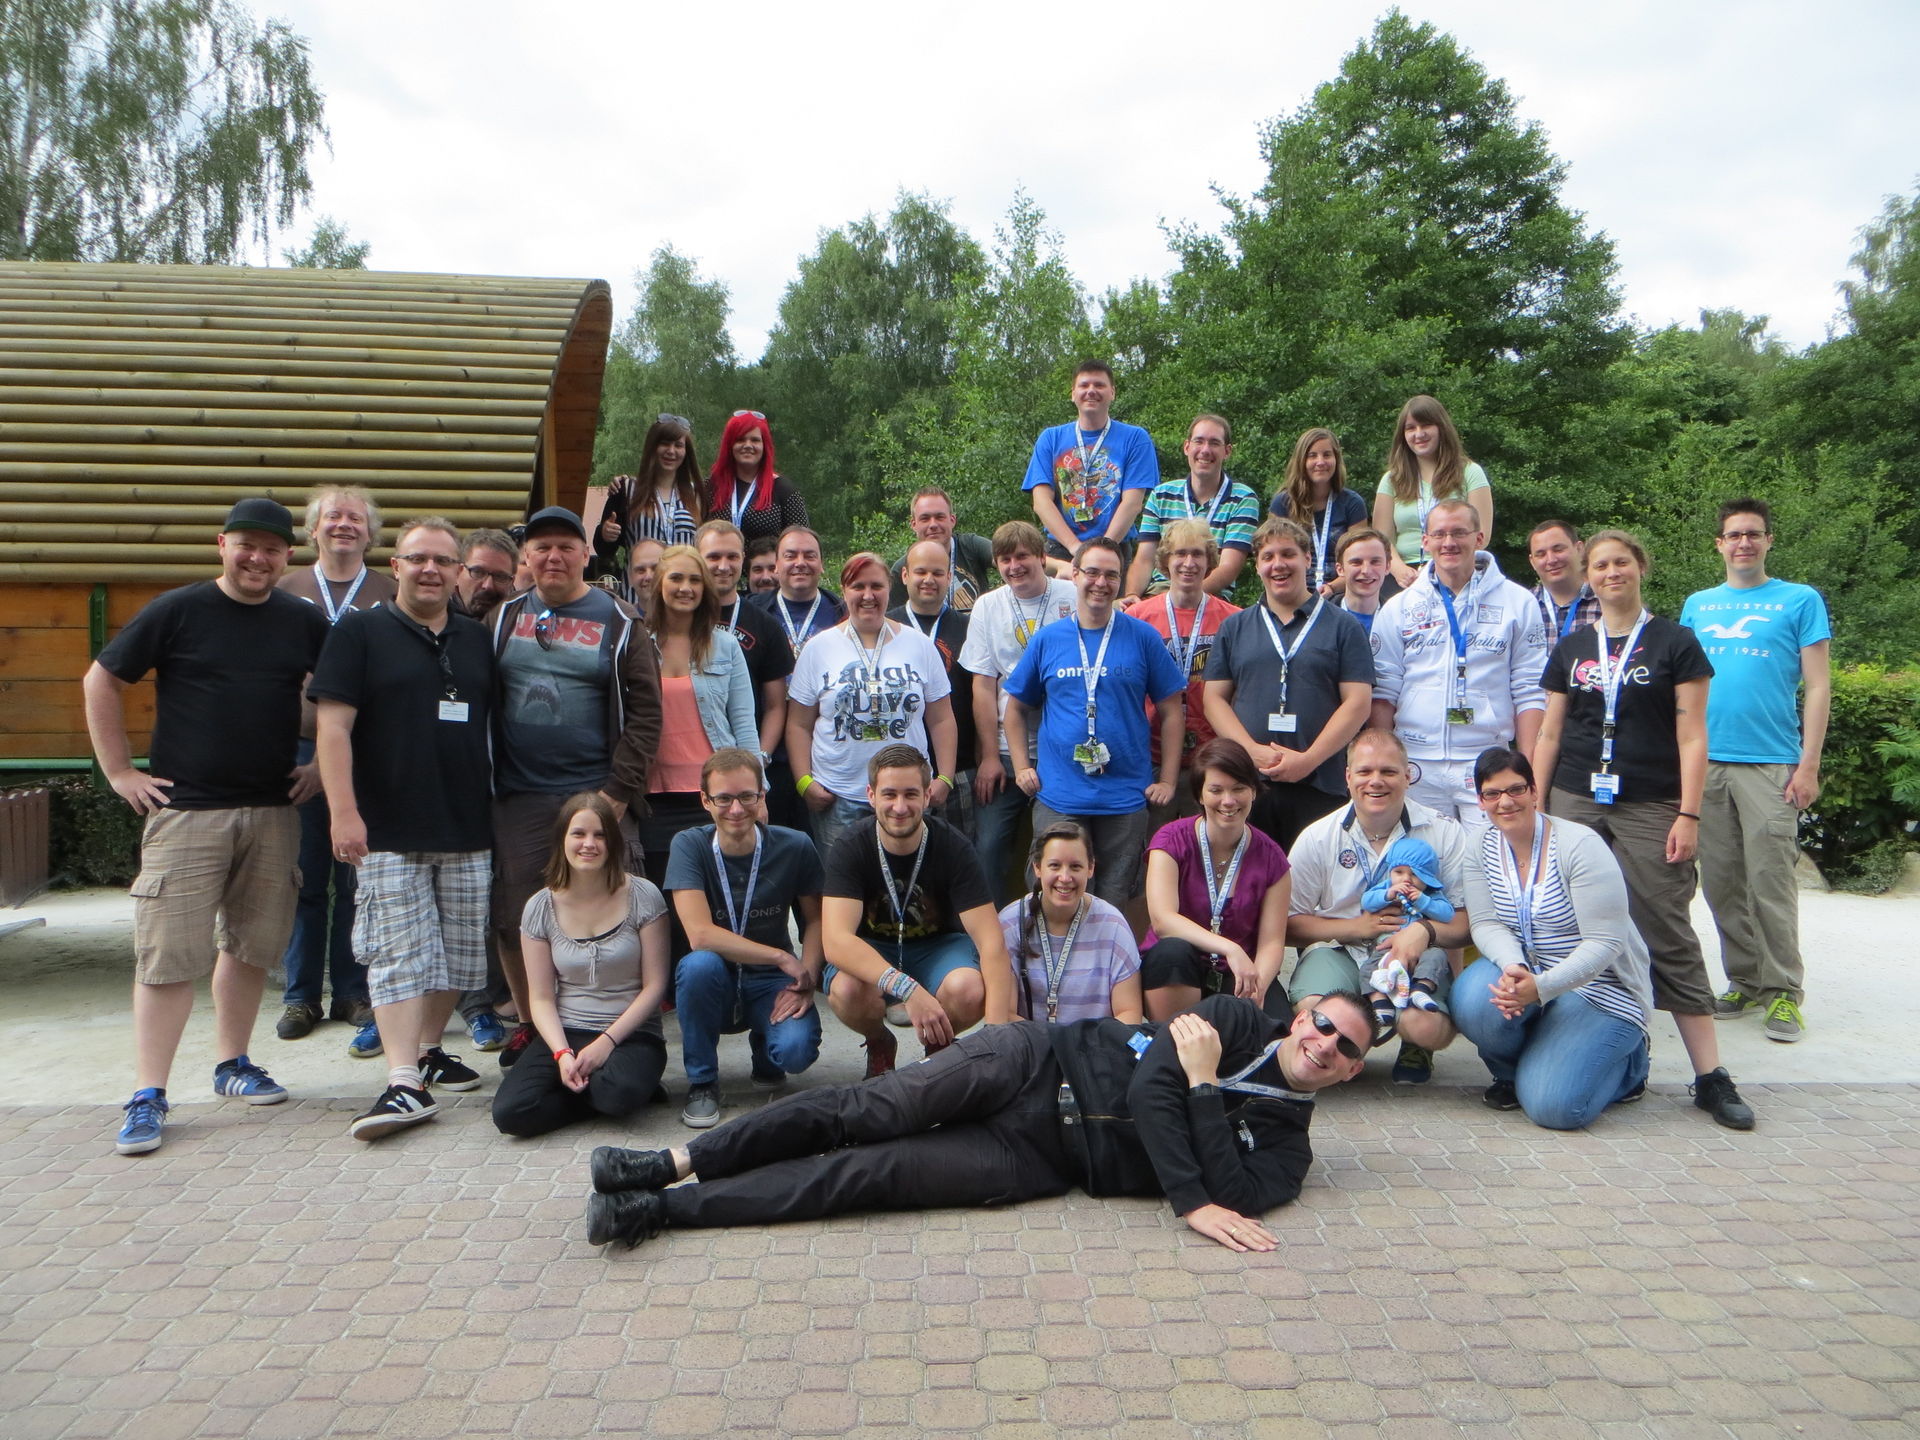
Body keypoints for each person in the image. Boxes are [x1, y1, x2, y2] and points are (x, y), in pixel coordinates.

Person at [583, 990, 1376, 1251]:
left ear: (1350, 1072)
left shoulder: (1289, 1154)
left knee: (869, 1176)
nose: (1325, 1045)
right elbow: (1148, 1095)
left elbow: (1237, 1189)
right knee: (865, 1111)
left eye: (1346, 1049)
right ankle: (672, 1163)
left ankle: (662, 1211)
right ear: (1302, 1014)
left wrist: (1201, 1091)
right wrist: (1192, 1196)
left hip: (1042, 1160)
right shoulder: (1233, 1019)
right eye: (1324, 1025)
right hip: (1033, 1060)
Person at [84, 498, 330, 1155]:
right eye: (246, 545)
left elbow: (341, 699)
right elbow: (101, 680)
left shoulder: (303, 620)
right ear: (222, 545)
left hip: (273, 811)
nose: (258, 558)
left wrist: (324, 769)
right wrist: (120, 773)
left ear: (287, 557)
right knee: (167, 957)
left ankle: (233, 1064)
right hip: (187, 812)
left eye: (272, 549)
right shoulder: (177, 610)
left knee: (251, 947)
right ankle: (148, 1094)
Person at [1531, 529, 1752, 1129]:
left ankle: (1710, 1075)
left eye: (1621, 562)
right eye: (1600, 565)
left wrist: (1689, 813)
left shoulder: (1675, 642)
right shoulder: (1574, 645)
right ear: (1587, 575)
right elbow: (1550, 731)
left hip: (1652, 802)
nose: (1611, 573)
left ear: (1641, 568)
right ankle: (1596, 1050)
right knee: (1567, 924)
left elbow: (1693, 735)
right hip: (1576, 797)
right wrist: (1539, 807)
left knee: (1664, 925)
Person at [308, 517, 495, 1138]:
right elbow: (332, 729)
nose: (430, 570)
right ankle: (402, 1082)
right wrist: (343, 812)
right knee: (396, 956)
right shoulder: (358, 633)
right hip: (385, 828)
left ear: (459, 572)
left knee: (459, 959)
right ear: (396, 566)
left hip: (465, 824)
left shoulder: (476, 640)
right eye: (418, 558)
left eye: (443, 561)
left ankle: (427, 1050)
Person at [487, 505, 663, 1068]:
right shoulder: (500, 618)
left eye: (566, 546)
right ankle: (532, 1027)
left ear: (587, 553)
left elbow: (646, 713)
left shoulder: (620, 619)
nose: (554, 557)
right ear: (526, 556)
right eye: (542, 547)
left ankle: (624, 1031)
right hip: (519, 794)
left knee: (617, 912)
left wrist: (618, 792)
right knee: (518, 916)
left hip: (597, 793)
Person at [1681, 498, 1831, 1044]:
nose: (1743, 542)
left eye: (1753, 533)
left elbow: (1819, 685)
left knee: (1771, 883)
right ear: (1719, 544)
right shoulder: (1698, 605)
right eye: (1734, 535)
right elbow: (1684, 689)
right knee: (1722, 884)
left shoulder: (1799, 600)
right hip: (1706, 765)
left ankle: (1783, 991)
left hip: (1770, 764)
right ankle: (1744, 980)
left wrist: (1807, 765)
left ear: (1769, 540)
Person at [1450, 748, 1657, 1130]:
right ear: (1480, 800)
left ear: (1534, 791)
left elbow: (1606, 942)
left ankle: (1631, 1065)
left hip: (1599, 989)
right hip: (1530, 973)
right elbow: (1486, 923)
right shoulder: (1480, 845)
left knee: (1554, 1109)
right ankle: (1515, 1074)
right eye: (1493, 793)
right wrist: (1514, 968)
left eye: (1516, 789)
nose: (1505, 802)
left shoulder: (1580, 845)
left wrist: (1542, 987)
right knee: (1472, 1000)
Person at [274, 485, 396, 1048]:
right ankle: (300, 995)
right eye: (332, 516)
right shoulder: (286, 590)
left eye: (355, 517)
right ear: (312, 529)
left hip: (368, 753)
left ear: (370, 533)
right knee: (303, 878)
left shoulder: (388, 592)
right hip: (298, 753)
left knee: (356, 879)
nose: (344, 524)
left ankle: (352, 991)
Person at [1003, 538, 1188, 912]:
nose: (1101, 583)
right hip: (1060, 794)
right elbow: (1015, 709)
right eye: (1092, 572)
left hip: (1125, 796)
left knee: (1115, 900)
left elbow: (1172, 711)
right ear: (1074, 575)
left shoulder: (1143, 637)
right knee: (1052, 897)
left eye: (1111, 575)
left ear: (1121, 580)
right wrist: (1022, 767)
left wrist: (1168, 780)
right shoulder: (1048, 640)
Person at [1284, 728, 1472, 1086]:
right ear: (1347, 776)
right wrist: (1356, 928)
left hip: (1417, 955)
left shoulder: (1445, 832)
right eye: (1365, 771)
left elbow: (1467, 925)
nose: (1376, 781)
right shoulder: (1319, 836)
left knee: (1424, 1025)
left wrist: (1425, 931)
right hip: (1343, 949)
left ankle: (1416, 1043)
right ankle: (1347, 1052)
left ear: (1408, 775)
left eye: (1388, 771)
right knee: (1314, 1009)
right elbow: (1288, 925)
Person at [820, 746, 1016, 1078]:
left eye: (910, 794)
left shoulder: (954, 847)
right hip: (873, 948)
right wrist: (907, 989)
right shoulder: (850, 846)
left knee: (968, 989)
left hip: (937, 947)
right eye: (889, 794)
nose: (900, 807)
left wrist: (997, 1036)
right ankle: (879, 1041)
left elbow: (991, 943)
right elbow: (836, 941)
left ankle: (937, 1049)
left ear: (927, 796)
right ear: (871, 795)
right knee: (846, 990)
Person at [491, 793, 671, 1136]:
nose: (589, 844)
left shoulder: (643, 895)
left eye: (600, 835)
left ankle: (612, 1087)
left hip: (630, 1033)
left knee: (617, 1093)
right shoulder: (540, 907)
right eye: (579, 833)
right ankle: (592, 1087)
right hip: (567, 1029)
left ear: (613, 842)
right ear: (562, 839)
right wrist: (562, 1054)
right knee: (510, 1113)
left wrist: (606, 1043)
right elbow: (540, 998)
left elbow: (655, 986)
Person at [666, 750, 825, 1128]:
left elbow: (817, 919)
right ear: (705, 800)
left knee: (796, 1052)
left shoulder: (795, 845)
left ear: (762, 795)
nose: (736, 809)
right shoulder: (688, 845)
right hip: (716, 977)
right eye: (723, 798)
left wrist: (807, 979)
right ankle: (702, 1082)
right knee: (697, 965)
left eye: (746, 796)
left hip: (769, 982)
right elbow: (700, 935)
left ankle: (766, 1050)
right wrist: (781, 957)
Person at [1369, 499, 1550, 824]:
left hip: (1488, 759)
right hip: (1416, 760)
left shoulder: (1519, 602)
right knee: (1422, 853)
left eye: (1459, 533)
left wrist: (1526, 766)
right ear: (1425, 541)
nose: (1449, 542)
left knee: (1490, 853)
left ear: (1479, 538)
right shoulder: (1398, 607)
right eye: (1439, 534)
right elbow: (1384, 691)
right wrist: (1385, 762)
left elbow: (1529, 690)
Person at [1202, 518, 1374, 852]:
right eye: (1268, 557)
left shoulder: (1343, 626)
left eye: (1288, 554)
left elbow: (1358, 703)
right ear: (1257, 566)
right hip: (1248, 785)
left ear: (1307, 558)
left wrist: (1308, 760)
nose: (1278, 564)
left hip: (1321, 784)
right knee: (1250, 878)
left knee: (1315, 880)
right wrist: (1250, 751)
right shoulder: (1234, 627)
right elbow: (1213, 700)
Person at [789, 553, 959, 858]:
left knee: (909, 878)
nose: (868, 595)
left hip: (906, 796)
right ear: (844, 590)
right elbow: (798, 724)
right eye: (858, 586)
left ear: (889, 588)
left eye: (876, 586)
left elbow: (942, 719)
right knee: (842, 881)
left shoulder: (919, 645)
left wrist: (945, 777)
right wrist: (804, 782)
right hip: (839, 796)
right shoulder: (817, 649)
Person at [959, 521, 1077, 905]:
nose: (1014, 566)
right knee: (989, 845)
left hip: (1061, 747)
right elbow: (983, 684)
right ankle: (991, 929)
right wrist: (989, 756)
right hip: (1007, 750)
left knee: (1054, 848)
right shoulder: (987, 605)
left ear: (1042, 557)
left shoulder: (1072, 595)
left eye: (1022, 556)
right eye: (1005, 559)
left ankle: (1048, 924)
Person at [1138, 740, 1292, 1021]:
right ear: (1200, 794)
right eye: (1216, 790)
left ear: (1253, 791)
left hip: (1239, 972)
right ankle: (1169, 1040)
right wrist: (1229, 948)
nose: (1228, 801)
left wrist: (1257, 987)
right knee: (1172, 951)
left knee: (1277, 1031)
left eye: (1238, 788)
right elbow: (1163, 920)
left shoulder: (1272, 857)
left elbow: (1272, 943)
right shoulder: (1170, 840)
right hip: (1177, 968)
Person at [637, 546, 758, 904]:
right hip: (652, 799)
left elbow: (743, 723)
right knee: (661, 905)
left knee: (720, 901)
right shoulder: (636, 642)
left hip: (715, 797)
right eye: (676, 578)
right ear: (659, 583)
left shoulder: (726, 646)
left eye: (695, 580)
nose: (686, 588)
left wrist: (758, 791)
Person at [1124, 520, 1241, 825]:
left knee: (1206, 845)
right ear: (1165, 560)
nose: (1189, 563)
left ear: (1210, 561)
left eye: (1197, 554)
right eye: (1180, 554)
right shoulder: (1136, 618)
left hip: (1211, 757)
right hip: (1151, 755)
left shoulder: (1235, 620)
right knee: (1154, 845)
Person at [998, 822, 1144, 1023]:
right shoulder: (1011, 922)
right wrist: (1050, 1040)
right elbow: (1002, 1015)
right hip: (1029, 1041)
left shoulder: (1113, 925)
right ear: (1037, 868)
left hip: (1094, 1041)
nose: (1065, 877)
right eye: (1055, 865)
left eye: (1075, 866)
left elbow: (1129, 1014)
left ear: (1090, 868)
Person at [1024, 360, 1159, 568]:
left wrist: (1102, 551)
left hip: (1114, 548)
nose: (1091, 391)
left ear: (1112, 392)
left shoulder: (1135, 439)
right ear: (1073, 393)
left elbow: (1132, 503)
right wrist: (1076, 548)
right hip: (1061, 551)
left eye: (1099, 385)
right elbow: (1041, 502)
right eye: (1084, 385)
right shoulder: (1050, 438)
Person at [891, 538, 978, 838]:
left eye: (938, 573)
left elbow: (982, 696)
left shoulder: (970, 627)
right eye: (921, 571)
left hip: (959, 770)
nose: (929, 579)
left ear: (949, 577)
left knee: (959, 853)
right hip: (899, 773)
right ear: (905, 575)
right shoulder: (886, 628)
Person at [1122, 414, 1259, 600]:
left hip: (1211, 596)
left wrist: (1181, 597)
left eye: (1214, 443)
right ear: (1187, 447)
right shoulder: (1161, 495)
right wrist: (1132, 596)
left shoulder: (1243, 498)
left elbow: (1228, 567)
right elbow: (1144, 559)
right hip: (1158, 593)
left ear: (1227, 451)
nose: (1205, 450)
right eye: (1199, 441)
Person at [694, 519, 794, 769]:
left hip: (745, 761)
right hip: (691, 757)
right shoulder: (681, 619)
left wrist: (760, 758)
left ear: (743, 560)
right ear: (697, 559)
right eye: (713, 557)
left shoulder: (766, 625)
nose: (723, 566)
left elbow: (775, 706)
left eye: (732, 557)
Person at [1371, 396, 1494, 591]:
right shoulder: (1391, 479)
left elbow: (1482, 536)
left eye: (1426, 425)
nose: (1418, 434)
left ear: (1441, 428)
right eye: (1410, 428)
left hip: (1456, 570)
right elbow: (1381, 539)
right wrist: (1400, 570)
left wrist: (1441, 569)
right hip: (1402, 577)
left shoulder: (1470, 472)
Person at [1357, 836, 1455, 1031]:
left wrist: (1423, 901)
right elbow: (1366, 901)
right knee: (1367, 969)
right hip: (1388, 947)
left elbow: (1447, 914)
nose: (1406, 879)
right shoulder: (1387, 887)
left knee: (1437, 957)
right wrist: (1388, 895)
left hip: (1422, 950)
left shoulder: (1431, 895)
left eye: (1415, 875)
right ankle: (1379, 1002)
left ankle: (1421, 989)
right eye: (1399, 872)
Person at [1269, 428, 1371, 597]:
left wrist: (1332, 588)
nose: (1320, 462)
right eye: (1312, 456)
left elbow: (1359, 562)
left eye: (1327, 455)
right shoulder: (1283, 503)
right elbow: (1272, 557)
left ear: (1336, 459)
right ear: (1302, 461)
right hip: (1293, 592)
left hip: (1340, 593)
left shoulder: (1352, 504)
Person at [595, 415, 702, 568]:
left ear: (686, 451)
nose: (671, 451)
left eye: (678, 445)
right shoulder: (626, 490)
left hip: (682, 581)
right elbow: (603, 551)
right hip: (639, 582)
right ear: (653, 446)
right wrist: (605, 534)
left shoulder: (697, 494)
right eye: (665, 444)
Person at [705, 410, 807, 550]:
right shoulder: (710, 487)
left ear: (765, 446)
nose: (748, 445)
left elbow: (802, 541)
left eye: (755, 440)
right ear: (729, 445)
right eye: (740, 439)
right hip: (720, 563)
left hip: (766, 564)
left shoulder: (783, 489)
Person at [887, 487, 995, 611]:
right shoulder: (902, 568)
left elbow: (1005, 556)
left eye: (940, 517)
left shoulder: (971, 546)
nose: (933, 524)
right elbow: (891, 617)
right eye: (925, 518)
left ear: (952, 520)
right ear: (914, 524)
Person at [1528, 519, 1598, 641]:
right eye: (1541, 554)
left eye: (1558, 549)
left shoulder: (1605, 601)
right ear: (1532, 562)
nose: (1551, 560)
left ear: (1579, 549)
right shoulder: (1523, 606)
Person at [1331, 526, 1397, 635]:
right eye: (1356, 562)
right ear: (1340, 569)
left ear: (1387, 567)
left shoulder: (1399, 618)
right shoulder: (1320, 617)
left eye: (1375, 562)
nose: (1366, 571)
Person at [452, 528, 519, 625]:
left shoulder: (519, 623)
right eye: (478, 572)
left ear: (511, 582)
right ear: (458, 572)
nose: (488, 586)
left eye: (500, 576)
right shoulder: (434, 618)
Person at [621, 536, 665, 613]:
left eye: (656, 569)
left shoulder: (685, 618)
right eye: (640, 570)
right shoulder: (621, 620)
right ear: (630, 577)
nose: (648, 576)